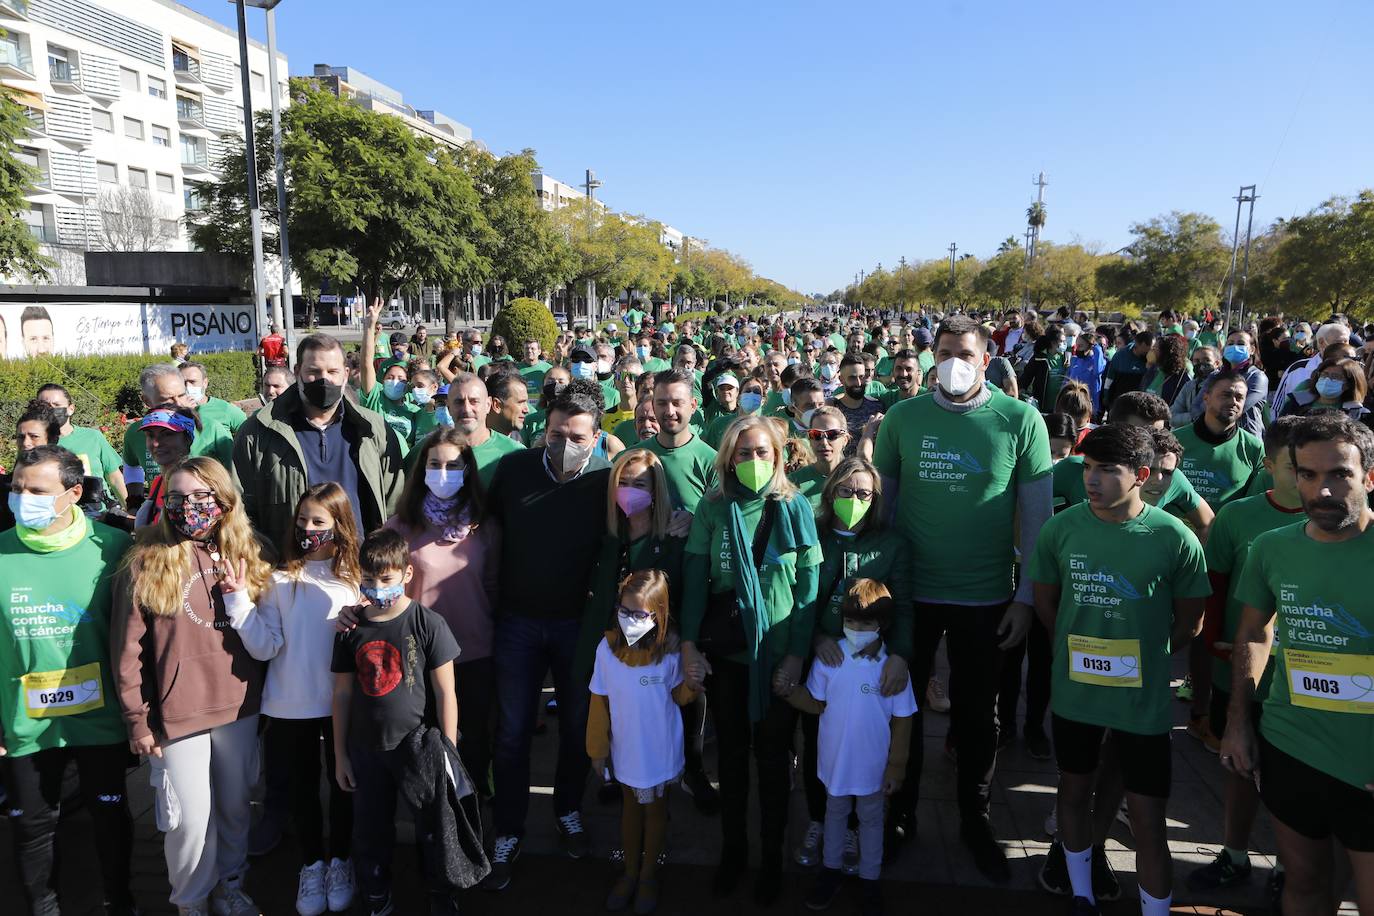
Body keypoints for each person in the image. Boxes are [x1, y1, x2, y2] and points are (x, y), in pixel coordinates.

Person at [871, 315, 1051, 879]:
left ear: (986, 357)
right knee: (901, 707)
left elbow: (1037, 519)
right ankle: (900, 813)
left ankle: (977, 818)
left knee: (979, 716)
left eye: (965, 353)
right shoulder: (903, 417)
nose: (954, 362)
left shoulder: (1020, 420)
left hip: (987, 597)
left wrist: (1025, 599)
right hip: (912, 595)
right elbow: (885, 507)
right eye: (944, 351)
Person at [1029, 425, 1209, 916]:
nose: (1092, 480)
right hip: (1075, 694)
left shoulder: (1174, 537)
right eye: (1088, 468)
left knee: (1148, 820)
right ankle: (1081, 894)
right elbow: (1047, 606)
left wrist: (1151, 654)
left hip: (1142, 705)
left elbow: (1192, 620)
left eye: (1108, 470)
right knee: (1073, 790)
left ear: (1142, 476)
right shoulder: (1059, 529)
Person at [1221, 413, 1374, 916]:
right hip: (1291, 746)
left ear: (1368, 477)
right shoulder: (1272, 548)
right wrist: (1239, 722)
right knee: (1305, 885)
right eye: (1307, 474)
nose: (1322, 491)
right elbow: (1252, 632)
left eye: (1339, 475)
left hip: (1367, 760)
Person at [112, 456, 274, 916]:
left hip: (239, 706)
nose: (189, 507)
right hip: (177, 713)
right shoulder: (145, 560)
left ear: (223, 501)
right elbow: (127, 652)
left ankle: (230, 884)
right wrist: (137, 720)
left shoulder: (251, 554)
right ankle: (192, 901)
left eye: (201, 497)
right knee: (189, 819)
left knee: (235, 808)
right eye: (178, 497)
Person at [680, 415, 821, 905]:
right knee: (734, 762)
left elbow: (808, 589)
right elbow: (696, 581)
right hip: (729, 660)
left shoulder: (795, 506)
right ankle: (734, 851)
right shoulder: (714, 507)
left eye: (763, 452)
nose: (755, 461)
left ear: (779, 457)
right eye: (745, 453)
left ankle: (772, 859)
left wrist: (797, 655)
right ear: (728, 458)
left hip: (779, 658)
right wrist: (690, 644)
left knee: (775, 762)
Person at [482, 380, 614, 888]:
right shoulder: (513, 470)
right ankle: (509, 829)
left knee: (577, 728)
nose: (563, 444)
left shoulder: (607, 480)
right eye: (556, 432)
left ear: (596, 437)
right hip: (516, 620)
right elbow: (485, 533)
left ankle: (567, 811)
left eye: (576, 436)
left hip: (577, 627)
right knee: (513, 731)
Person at [0, 445, 138, 916]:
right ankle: (44, 908)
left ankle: (120, 902)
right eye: (17, 488)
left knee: (109, 817)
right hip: (25, 722)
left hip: (99, 719)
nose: (22, 498)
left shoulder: (113, 548)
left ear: (74, 493)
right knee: (34, 827)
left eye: (36, 490)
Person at [227, 483, 361, 916]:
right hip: (290, 705)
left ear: (339, 526)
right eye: (302, 520)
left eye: (318, 521)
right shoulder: (280, 580)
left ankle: (341, 860)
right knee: (301, 791)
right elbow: (265, 646)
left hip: (344, 705)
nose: (307, 528)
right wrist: (238, 603)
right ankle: (311, 865)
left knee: (343, 786)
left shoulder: (358, 583)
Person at [1185, 416, 1303, 901]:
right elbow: (1213, 591)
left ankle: (1287, 865)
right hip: (1240, 668)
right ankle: (1234, 854)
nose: (1309, 478)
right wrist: (1212, 644)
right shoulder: (1239, 517)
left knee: (1291, 778)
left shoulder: (1348, 523)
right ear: (1269, 465)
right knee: (1237, 765)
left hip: (1306, 679)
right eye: (1298, 467)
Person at [330, 528, 462, 916]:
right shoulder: (349, 629)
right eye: (369, 579)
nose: (376, 587)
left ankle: (440, 890)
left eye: (386, 579)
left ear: (406, 574)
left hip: (419, 747)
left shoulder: (428, 623)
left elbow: (446, 693)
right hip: (366, 749)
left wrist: (448, 753)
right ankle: (375, 892)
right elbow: (340, 694)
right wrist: (339, 755)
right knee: (370, 830)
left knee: (433, 827)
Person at [794, 460, 913, 874]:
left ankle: (864, 829)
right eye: (845, 491)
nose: (854, 499)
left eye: (864, 493)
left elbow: (905, 604)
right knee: (818, 740)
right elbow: (798, 597)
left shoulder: (891, 544)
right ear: (830, 495)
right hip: (823, 656)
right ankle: (819, 819)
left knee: (870, 739)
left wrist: (898, 653)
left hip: (870, 659)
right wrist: (815, 639)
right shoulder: (813, 534)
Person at [789, 580, 916, 916]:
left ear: (883, 625)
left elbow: (904, 719)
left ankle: (870, 879)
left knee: (872, 821)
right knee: (835, 815)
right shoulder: (831, 658)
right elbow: (816, 702)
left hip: (873, 768)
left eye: (866, 624)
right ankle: (830, 871)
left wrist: (897, 766)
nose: (856, 629)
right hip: (835, 763)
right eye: (851, 622)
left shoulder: (892, 669)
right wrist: (788, 691)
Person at [385, 427, 499, 795]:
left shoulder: (487, 527)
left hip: (475, 651)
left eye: (453, 464)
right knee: (427, 743)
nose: (444, 473)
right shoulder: (401, 527)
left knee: (474, 742)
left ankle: (473, 819)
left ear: (468, 470)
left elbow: (496, 586)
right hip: (418, 655)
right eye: (435, 464)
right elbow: (377, 586)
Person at [586, 570, 699, 915]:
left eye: (639, 614)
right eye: (624, 610)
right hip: (627, 752)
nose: (629, 620)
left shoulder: (670, 654)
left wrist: (694, 682)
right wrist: (597, 750)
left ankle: (649, 875)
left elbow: (680, 697)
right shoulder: (606, 650)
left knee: (655, 812)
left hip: (660, 752)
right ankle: (631, 872)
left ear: (658, 614)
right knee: (629, 810)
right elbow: (599, 701)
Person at [233, 331, 406, 545]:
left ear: (345, 373)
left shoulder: (373, 428)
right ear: (297, 372)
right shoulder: (258, 432)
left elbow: (394, 505)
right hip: (290, 570)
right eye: (314, 371)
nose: (324, 380)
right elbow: (240, 509)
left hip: (360, 568)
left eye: (332, 371)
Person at [122, 364, 235, 499]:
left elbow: (234, 481)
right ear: (146, 400)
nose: (178, 404)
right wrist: (134, 502)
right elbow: (131, 466)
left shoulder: (212, 428)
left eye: (181, 395)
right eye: (167, 399)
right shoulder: (135, 432)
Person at [1174, 367, 1265, 511]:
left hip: (1226, 531)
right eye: (1225, 395)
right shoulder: (1175, 441)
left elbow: (1255, 503)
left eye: (1239, 397)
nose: (1233, 402)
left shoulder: (1254, 448)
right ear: (1206, 398)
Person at [35, 382, 128, 504]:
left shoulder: (92, 437)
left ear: (70, 409)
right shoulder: (35, 443)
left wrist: (129, 509)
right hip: (58, 515)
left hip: (97, 514)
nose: (51, 410)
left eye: (57, 405)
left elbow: (114, 478)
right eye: (45, 406)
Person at [789, 405, 851, 512]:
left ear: (845, 440)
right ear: (809, 439)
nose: (824, 442)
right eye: (816, 435)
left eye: (832, 434)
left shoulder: (856, 479)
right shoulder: (792, 482)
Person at [1279, 356, 1370, 421]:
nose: (1327, 379)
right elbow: (1279, 434)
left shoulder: (1358, 413)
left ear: (1349, 384)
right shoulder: (1295, 402)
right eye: (1324, 374)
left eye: (1336, 377)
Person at [830, 352, 884, 451]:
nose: (858, 383)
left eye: (861, 377)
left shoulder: (877, 408)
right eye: (852, 378)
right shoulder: (833, 410)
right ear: (841, 379)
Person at [179, 361, 248, 434]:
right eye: (183, 383)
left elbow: (249, 434)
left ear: (205, 383)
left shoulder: (225, 409)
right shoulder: (171, 412)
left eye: (192, 382)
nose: (187, 387)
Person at [1168, 346, 1221, 428]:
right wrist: (1194, 417)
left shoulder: (1222, 385)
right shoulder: (1189, 385)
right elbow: (1172, 417)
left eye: (1207, 360)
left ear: (1217, 363)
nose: (1201, 364)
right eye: (1197, 361)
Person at [1102, 330, 1152, 411]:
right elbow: (1110, 378)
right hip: (1119, 403)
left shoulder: (1151, 360)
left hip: (1139, 406)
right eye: (1149, 348)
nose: (1151, 351)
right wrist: (1106, 396)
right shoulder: (1120, 356)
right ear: (1141, 345)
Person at [486, 369, 532, 445]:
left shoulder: (517, 441)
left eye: (526, 402)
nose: (527, 410)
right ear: (496, 405)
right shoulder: (469, 446)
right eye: (520, 402)